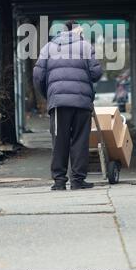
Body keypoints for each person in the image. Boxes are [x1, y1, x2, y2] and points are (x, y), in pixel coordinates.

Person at [33, 20, 103, 191]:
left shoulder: (48, 47)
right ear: (78, 31)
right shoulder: (85, 46)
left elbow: (37, 76)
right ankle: (78, 180)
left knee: (59, 140)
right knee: (80, 140)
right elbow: (96, 73)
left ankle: (59, 181)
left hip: (58, 103)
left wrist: (49, 94)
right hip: (81, 103)